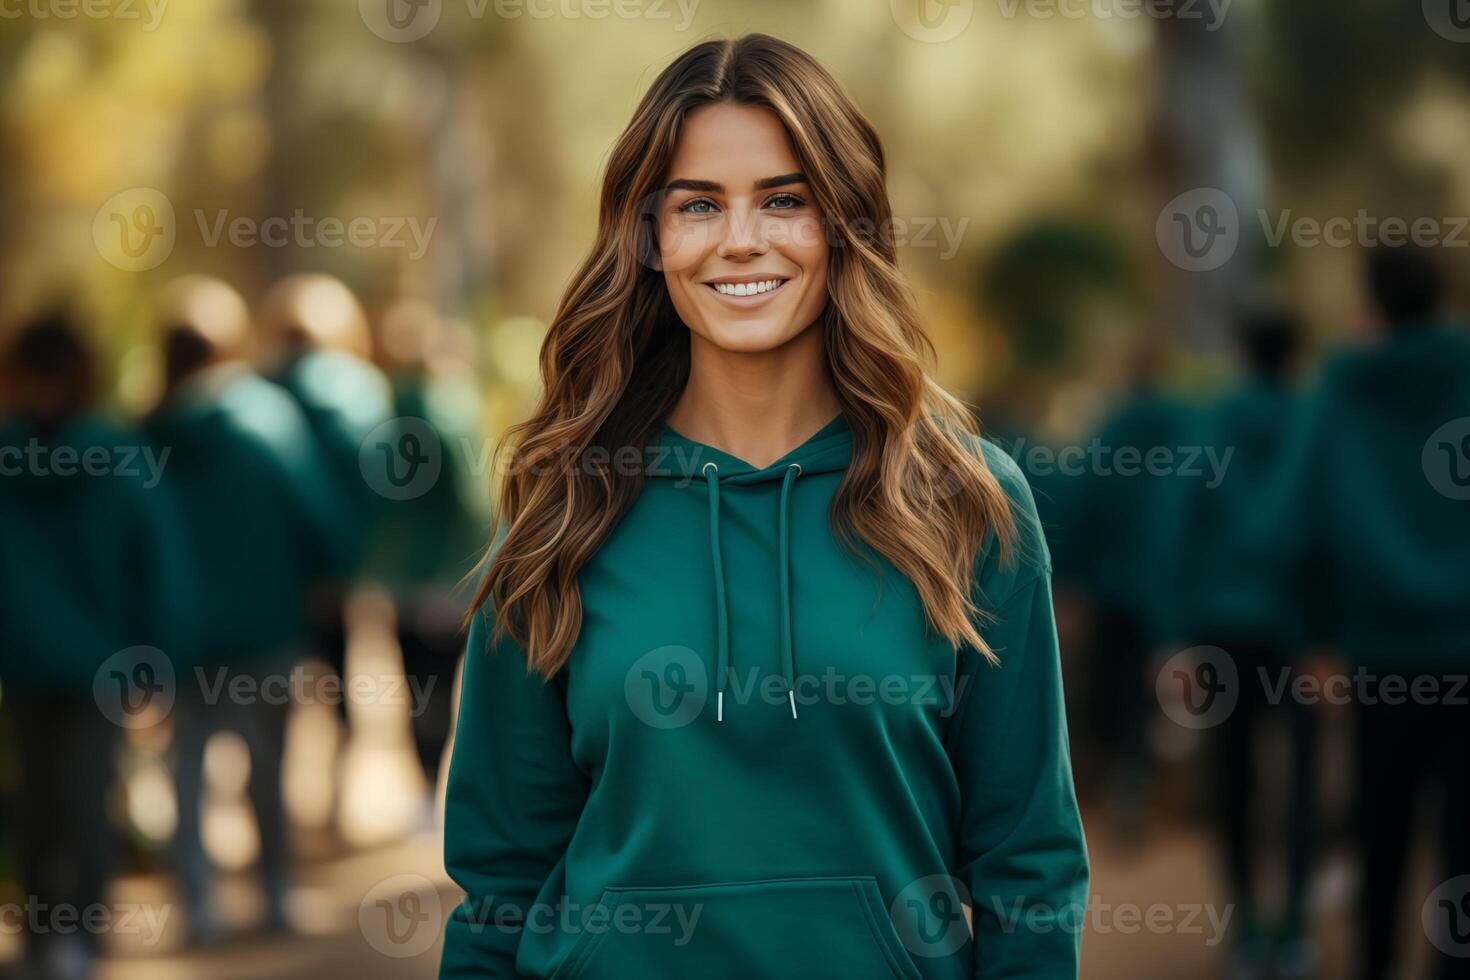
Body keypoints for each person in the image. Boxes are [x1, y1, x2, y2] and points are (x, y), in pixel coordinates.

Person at [439, 35, 1089, 980]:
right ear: (651, 239)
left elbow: (1026, 866)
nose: (741, 239)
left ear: (844, 226)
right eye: (698, 205)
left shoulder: (963, 500)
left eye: (785, 201)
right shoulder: (562, 505)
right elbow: (500, 876)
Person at [1258, 245, 1470, 980]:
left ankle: (1375, 963)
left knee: (1382, 830)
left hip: (1380, 658)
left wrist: (1316, 635)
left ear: (1373, 300)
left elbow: (1296, 522)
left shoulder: (1342, 386)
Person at [144, 276, 349, 942]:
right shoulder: (267, 417)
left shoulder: (144, 433)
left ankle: (198, 904)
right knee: (268, 767)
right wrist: (331, 575)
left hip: (184, 632)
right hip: (268, 624)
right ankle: (276, 893)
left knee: (188, 771)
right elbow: (313, 511)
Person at [0, 310, 193, 980]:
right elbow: (158, 562)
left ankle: (38, 939)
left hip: (21, 660)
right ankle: (82, 936)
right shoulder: (120, 452)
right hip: (101, 663)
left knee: (34, 802)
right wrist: (159, 654)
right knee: (88, 798)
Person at [1168, 305, 1319, 978]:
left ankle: (1245, 928)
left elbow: (1177, 527)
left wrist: (1170, 637)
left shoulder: (1212, 421)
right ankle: (1295, 927)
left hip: (1219, 630)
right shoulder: (1317, 419)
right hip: (1300, 633)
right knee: (1303, 781)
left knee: (1232, 778)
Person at [255, 274, 392, 809]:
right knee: (340, 674)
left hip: (273, 567)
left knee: (273, 686)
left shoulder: (261, 389)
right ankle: (336, 790)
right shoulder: (361, 388)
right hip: (340, 564)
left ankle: (279, 802)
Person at [361, 300, 489, 797]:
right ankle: (441, 789)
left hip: (402, 582)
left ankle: (423, 789)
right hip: (446, 584)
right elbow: (472, 504)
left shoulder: (380, 413)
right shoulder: (450, 412)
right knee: (445, 692)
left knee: (416, 690)